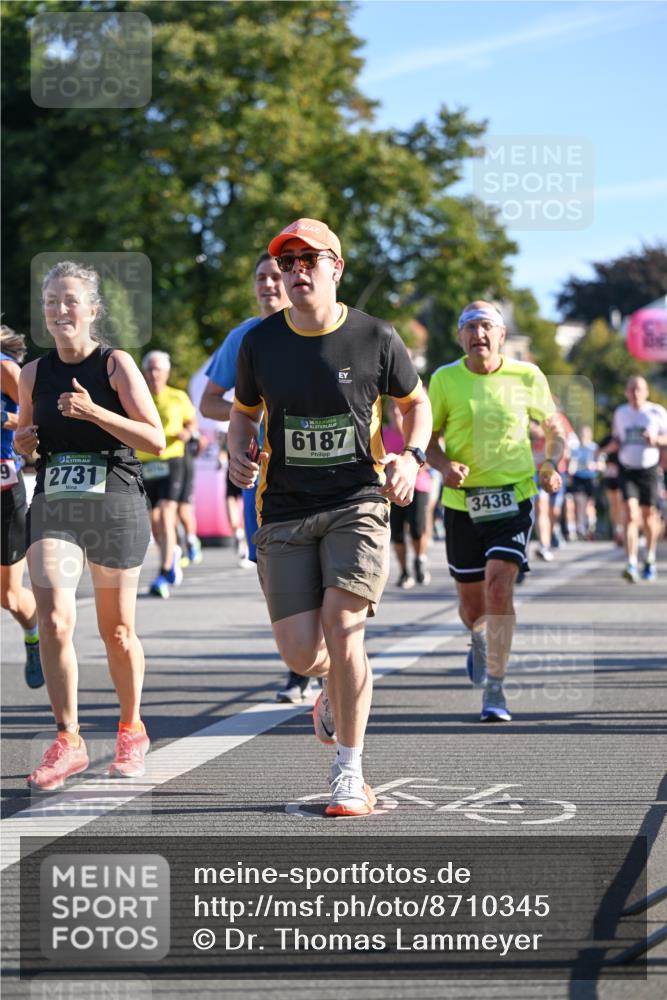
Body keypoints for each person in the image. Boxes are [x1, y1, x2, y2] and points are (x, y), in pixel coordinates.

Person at [228, 219, 431, 815]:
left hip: (357, 501)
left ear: (335, 267)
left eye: (308, 259)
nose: (296, 270)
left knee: (345, 627)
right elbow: (243, 412)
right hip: (285, 507)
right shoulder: (260, 341)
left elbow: (414, 405)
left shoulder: (375, 336)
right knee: (300, 653)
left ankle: (350, 772)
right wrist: (238, 451)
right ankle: (330, 686)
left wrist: (412, 458)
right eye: (286, 262)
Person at [16, 261, 164, 791]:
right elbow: (26, 440)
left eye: (70, 300)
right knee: (54, 620)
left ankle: (131, 729)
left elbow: (155, 439)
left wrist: (94, 413)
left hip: (115, 502)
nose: (58, 310)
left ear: (93, 310)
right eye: (51, 301)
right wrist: (25, 444)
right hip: (55, 500)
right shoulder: (32, 372)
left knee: (117, 631)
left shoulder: (114, 365)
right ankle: (68, 739)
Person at [427, 301, 564, 722]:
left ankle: (496, 687)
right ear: (460, 337)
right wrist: (444, 465)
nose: (478, 334)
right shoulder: (445, 379)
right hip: (461, 502)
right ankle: (479, 640)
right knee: (472, 606)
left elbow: (556, 428)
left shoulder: (526, 376)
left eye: (486, 326)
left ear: (502, 335)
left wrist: (550, 463)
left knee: (499, 587)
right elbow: (428, 439)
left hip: (513, 497)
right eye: (469, 327)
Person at [201, 253, 312, 702]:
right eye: (260, 278)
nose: (268, 284)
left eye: (274, 276)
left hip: (319, 474)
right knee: (276, 576)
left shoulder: (315, 327)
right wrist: (249, 410)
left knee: (321, 574)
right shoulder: (243, 336)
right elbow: (208, 403)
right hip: (263, 479)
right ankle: (300, 663)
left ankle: (314, 665)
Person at [1, 326, 44, 688]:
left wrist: (4, 419)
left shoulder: (6, 368)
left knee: (9, 595)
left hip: (4, 487)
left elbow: (34, 419)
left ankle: (35, 636)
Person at [137, 351, 197, 598]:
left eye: (158, 369)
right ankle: (171, 553)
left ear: (167, 372)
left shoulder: (178, 396)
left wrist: (187, 432)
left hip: (172, 459)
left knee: (166, 514)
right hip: (145, 461)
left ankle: (164, 569)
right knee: (154, 521)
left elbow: (192, 423)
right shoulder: (138, 397)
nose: (153, 374)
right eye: (149, 369)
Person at [612, 375, 667, 582]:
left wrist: (657, 439)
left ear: (646, 392)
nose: (635, 393)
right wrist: (608, 449)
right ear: (626, 392)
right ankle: (631, 562)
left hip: (649, 471)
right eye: (631, 389)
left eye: (639, 389)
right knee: (630, 514)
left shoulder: (656, 412)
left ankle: (650, 558)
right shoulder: (621, 413)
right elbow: (617, 437)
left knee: (649, 517)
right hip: (627, 469)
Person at [383, 399, 432, 588]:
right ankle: (404, 572)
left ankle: (419, 558)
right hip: (392, 488)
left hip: (417, 485)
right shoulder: (384, 434)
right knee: (397, 533)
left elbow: (426, 461)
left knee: (417, 530)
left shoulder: (414, 433)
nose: (396, 412)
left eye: (398, 408)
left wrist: (409, 465)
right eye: (392, 408)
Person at [569, 424, 599, 539]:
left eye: (585, 435)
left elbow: (602, 464)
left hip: (590, 478)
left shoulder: (594, 448)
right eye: (581, 435)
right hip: (578, 477)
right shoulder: (576, 449)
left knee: (589, 504)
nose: (583, 437)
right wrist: (570, 474)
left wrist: (594, 465)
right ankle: (581, 527)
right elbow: (572, 463)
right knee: (580, 502)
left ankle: (591, 524)